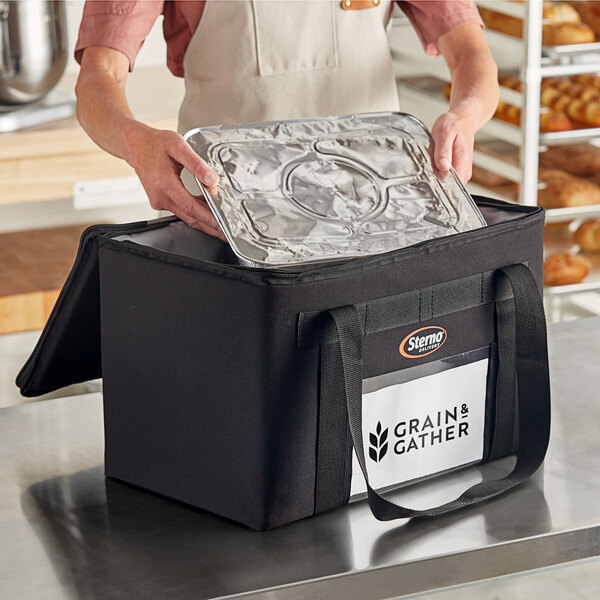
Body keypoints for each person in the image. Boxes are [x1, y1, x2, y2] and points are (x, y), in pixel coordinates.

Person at [75, 1, 498, 240]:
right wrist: (135, 141)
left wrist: (465, 115)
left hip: (376, 216)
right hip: (225, 221)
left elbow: (471, 55)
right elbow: (98, 77)